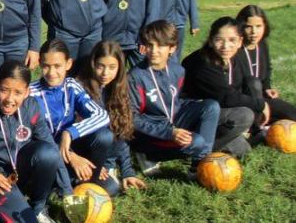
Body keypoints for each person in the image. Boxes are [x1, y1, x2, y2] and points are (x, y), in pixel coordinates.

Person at [0, 60, 71, 223]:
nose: (10, 99)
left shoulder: (31, 106)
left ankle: (38, 207)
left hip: (20, 170)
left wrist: (68, 191)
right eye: (4, 90)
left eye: (18, 92)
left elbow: (50, 146)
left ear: (27, 92)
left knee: (48, 153)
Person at [128, 20, 219, 177]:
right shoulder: (135, 76)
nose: (154, 51)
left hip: (173, 121)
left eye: (160, 46)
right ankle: (147, 155)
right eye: (150, 45)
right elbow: (132, 119)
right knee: (196, 142)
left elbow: (174, 102)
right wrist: (169, 133)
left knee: (211, 106)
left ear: (172, 48)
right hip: (150, 134)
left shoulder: (178, 71)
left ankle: (199, 164)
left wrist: (194, 109)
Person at [29, 39, 112, 188]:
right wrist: (72, 157)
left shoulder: (72, 86)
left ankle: (88, 182)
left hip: (69, 147)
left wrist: (69, 133)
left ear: (69, 64)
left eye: (57, 66)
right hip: (46, 153)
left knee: (105, 136)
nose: (52, 72)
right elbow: (33, 138)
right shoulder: (30, 92)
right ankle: (56, 184)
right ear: (40, 64)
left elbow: (102, 115)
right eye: (46, 66)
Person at [182, 17, 266, 157]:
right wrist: (261, 105)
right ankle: (198, 151)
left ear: (239, 41)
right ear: (210, 40)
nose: (226, 46)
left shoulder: (234, 57)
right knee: (244, 115)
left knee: (243, 150)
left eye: (232, 40)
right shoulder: (202, 63)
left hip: (216, 109)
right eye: (219, 40)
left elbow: (241, 87)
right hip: (192, 116)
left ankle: (252, 130)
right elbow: (228, 98)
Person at [77, 41, 146, 197]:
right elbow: (76, 138)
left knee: (112, 190)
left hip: (108, 158)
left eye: (112, 68)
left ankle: (110, 168)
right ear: (92, 64)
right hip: (86, 158)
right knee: (111, 190)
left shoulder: (120, 90)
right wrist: (93, 165)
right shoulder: (80, 89)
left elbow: (123, 134)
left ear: (119, 68)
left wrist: (128, 171)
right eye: (100, 66)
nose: (105, 73)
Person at [236, 5, 296, 126]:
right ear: (240, 27)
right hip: (242, 103)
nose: (254, 32)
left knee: (291, 114)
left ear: (265, 26)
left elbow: (267, 68)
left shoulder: (262, 44)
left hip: (263, 99)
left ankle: (264, 124)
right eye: (248, 27)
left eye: (258, 26)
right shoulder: (234, 49)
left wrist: (267, 87)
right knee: (252, 82)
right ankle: (256, 127)